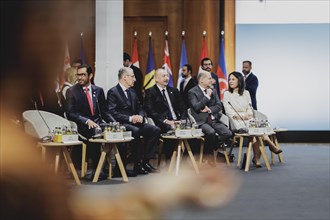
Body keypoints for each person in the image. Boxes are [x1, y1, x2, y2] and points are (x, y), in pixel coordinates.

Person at [107, 67, 161, 175]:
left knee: (155, 130)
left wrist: (140, 116)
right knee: (135, 131)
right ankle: (136, 163)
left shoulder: (132, 92)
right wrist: (130, 118)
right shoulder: (113, 92)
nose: (135, 79)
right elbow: (112, 113)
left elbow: (140, 108)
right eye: (132, 76)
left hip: (136, 122)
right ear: (124, 78)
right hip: (122, 124)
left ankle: (144, 161)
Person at [222, 71, 282, 167]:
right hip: (236, 121)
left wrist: (248, 115)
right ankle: (268, 146)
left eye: (233, 79)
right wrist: (242, 116)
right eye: (229, 79)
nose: (230, 81)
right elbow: (228, 111)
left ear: (239, 81)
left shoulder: (246, 93)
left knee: (256, 132)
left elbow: (250, 108)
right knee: (255, 133)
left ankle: (257, 158)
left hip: (248, 119)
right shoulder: (227, 94)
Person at [66, 64, 115, 178]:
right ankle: (96, 169)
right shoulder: (72, 91)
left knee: (117, 132)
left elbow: (105, 112)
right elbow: (70, 113)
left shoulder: (99, 90)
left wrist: (114, 123)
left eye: (83, 75)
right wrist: (86, 120)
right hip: (82, 125)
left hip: (98, 123)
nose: (80, 78)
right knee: (95, 133)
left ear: (91, 75)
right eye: (78, 75)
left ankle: (114, 168)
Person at [188, 70, 232, 165]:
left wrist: (209, 110)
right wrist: (207, 96)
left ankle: (207, 151)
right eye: (209, 78)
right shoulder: (192, 92)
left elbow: (219, 106)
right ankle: (210, 156)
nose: (212, 80)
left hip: (213, 119)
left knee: (227, 133)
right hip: (201, 121)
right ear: (201, 80)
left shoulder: (214, 90)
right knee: (211, 132)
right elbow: (196, 106)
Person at [144, 68, 187, 160]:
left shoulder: (174, 91)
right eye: (164, 76)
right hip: (162, 122)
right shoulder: (150, 92)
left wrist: (182, 120)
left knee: (193, 133)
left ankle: (185, 160)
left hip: (177, 121)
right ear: (156, 79)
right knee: (170, 130)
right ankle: (169, 160)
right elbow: (150, 111)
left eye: (167, 76)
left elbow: (183, 107)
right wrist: (167, 121)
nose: (167, 78)